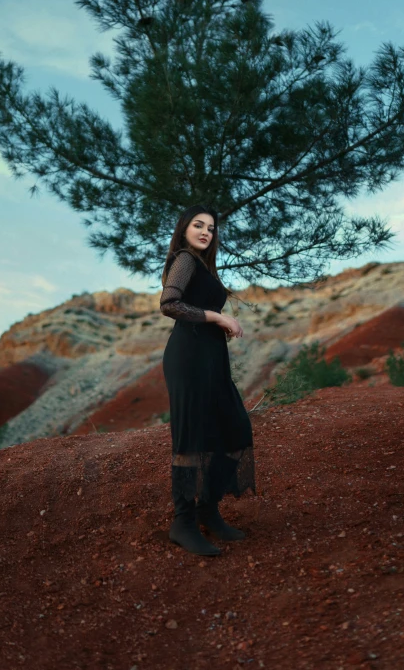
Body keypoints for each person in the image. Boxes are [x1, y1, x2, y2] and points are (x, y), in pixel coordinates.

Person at [160, 204, 256, 556]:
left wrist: (216, 323)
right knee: (191, 439)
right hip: (188, 357)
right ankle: (182, 522)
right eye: (198, 225)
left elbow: (192, 306)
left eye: (211, 228)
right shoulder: (185, 258)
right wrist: (217, 317)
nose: (205, 231)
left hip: (210, 357)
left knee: (233, 428)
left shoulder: (202, 265)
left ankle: (208, 509)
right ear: (184, 229)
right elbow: (170, 304)